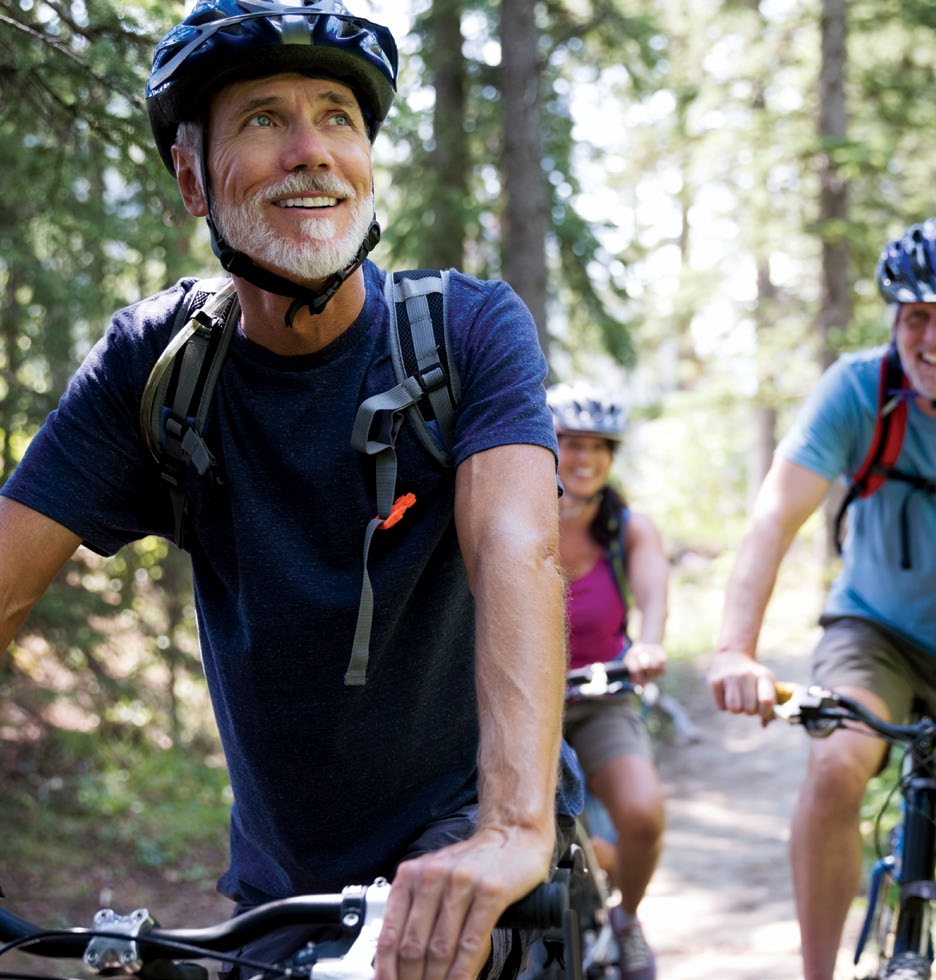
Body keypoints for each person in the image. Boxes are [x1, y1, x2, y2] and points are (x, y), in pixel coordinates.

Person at [0, 2, 583, 978]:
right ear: (192, 175)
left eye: (338, 118)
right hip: (282, 886)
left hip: (475, 834)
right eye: (265, 118)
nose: (311, 150)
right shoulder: (155, 368)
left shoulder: (469, 333)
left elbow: (516, 548)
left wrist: (514, 825)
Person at [707, 213, 936, 980]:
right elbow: (773, 518)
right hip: (874, 633)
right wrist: (734, 649)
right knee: (838, 764)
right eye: (916, 318)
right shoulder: (859, 390)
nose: (933, 338)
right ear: (893, 322)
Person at [547, 382, 669, 980]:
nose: (585, 459)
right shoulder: (520, 513)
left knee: (642, 813)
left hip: (602, 695)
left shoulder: (629, 530)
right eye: (571, 444)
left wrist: (648, 643)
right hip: (523, 698)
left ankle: (627, 919)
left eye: (599, 447)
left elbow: (652, 601)